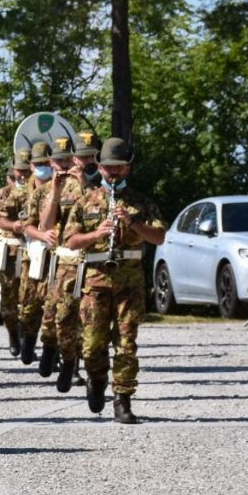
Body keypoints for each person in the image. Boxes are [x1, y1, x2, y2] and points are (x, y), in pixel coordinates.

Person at [63, 138, 166, 424]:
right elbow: (70, 241)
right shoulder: (86, 200)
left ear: (127, 169)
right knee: (92, 344)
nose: (113, 173)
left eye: (119, 167)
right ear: (99, 167)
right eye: (108, 167)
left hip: (129, 283)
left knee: (126, 343)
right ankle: (96, 379)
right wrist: (96, 235)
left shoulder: (141, 202)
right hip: (95, 282)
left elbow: (158, 237)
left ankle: (123, 399)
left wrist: (132, 222)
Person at [52, 131, 103, 392]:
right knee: (63, 319)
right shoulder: (64, 185)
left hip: (96, 262)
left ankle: (88, 369)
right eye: (83, 157)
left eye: (92, 156)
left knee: (90, 322)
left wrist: (85, 184)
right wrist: (54, 189)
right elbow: (46, 222)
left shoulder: (107, 186)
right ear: (74, 158)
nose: (87, 162)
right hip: (68, 263)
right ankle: (68, 360)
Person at [0, 148, 32, 356]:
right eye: (19, 171)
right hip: (10, 251)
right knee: (9, 298)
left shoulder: (39, 190)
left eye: (27, 170)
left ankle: (28, 337)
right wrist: (6, 223)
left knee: (31, 298)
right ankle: (13, 333)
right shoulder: (2, 195)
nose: (22, 175)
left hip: (33, 250)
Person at [17, 141, 55, 364]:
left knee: (55, 307)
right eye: (39, 164)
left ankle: (54, 353)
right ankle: (28, 342)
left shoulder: (67, 187)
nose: (44, 168)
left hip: (59, 258)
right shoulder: (24, 191)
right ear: (31, 165)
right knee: (29, 305)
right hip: (33, 256)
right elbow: (22, 223)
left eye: (47, 163)